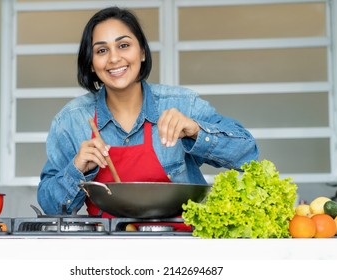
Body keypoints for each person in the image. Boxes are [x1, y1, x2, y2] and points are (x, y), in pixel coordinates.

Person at [37, 6, 259, 216]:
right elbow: (51, 207)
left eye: (124, 45)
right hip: (107, 249)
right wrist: (76, 170)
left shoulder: (183, 104)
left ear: (142, 52)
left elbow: (247, 154)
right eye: (102, 50)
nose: (114, 58)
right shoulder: (71, 120)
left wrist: (195, 131)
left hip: (181, 247)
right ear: (91, 64)